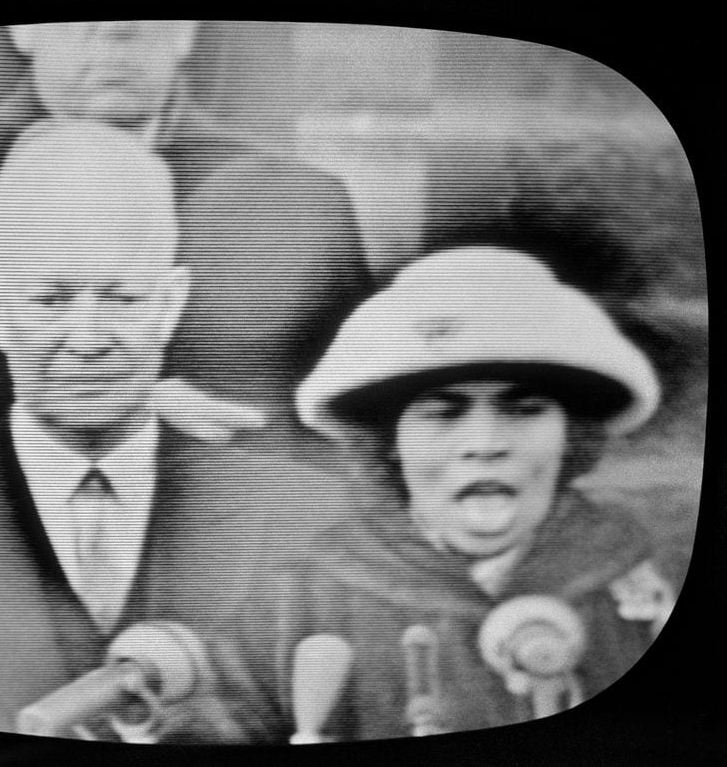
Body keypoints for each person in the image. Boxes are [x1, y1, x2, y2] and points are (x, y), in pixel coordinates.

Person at [0, 121, 357, 735]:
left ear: (171, 302)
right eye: (52, 301)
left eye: (121, 298)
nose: (86, 340)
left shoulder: (314, 520)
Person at [197, 246, 676, 742]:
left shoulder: (637, 576)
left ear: (571, 439)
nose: (486, 445)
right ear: (388, 447)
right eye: (443, 413)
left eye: (525, 409)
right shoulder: (300, 599)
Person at [0, 22, 375, 447]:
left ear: (187, 28)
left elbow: (357, 409)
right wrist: (111, 403)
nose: (117, 32)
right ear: (20, 29)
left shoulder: (298, 203)